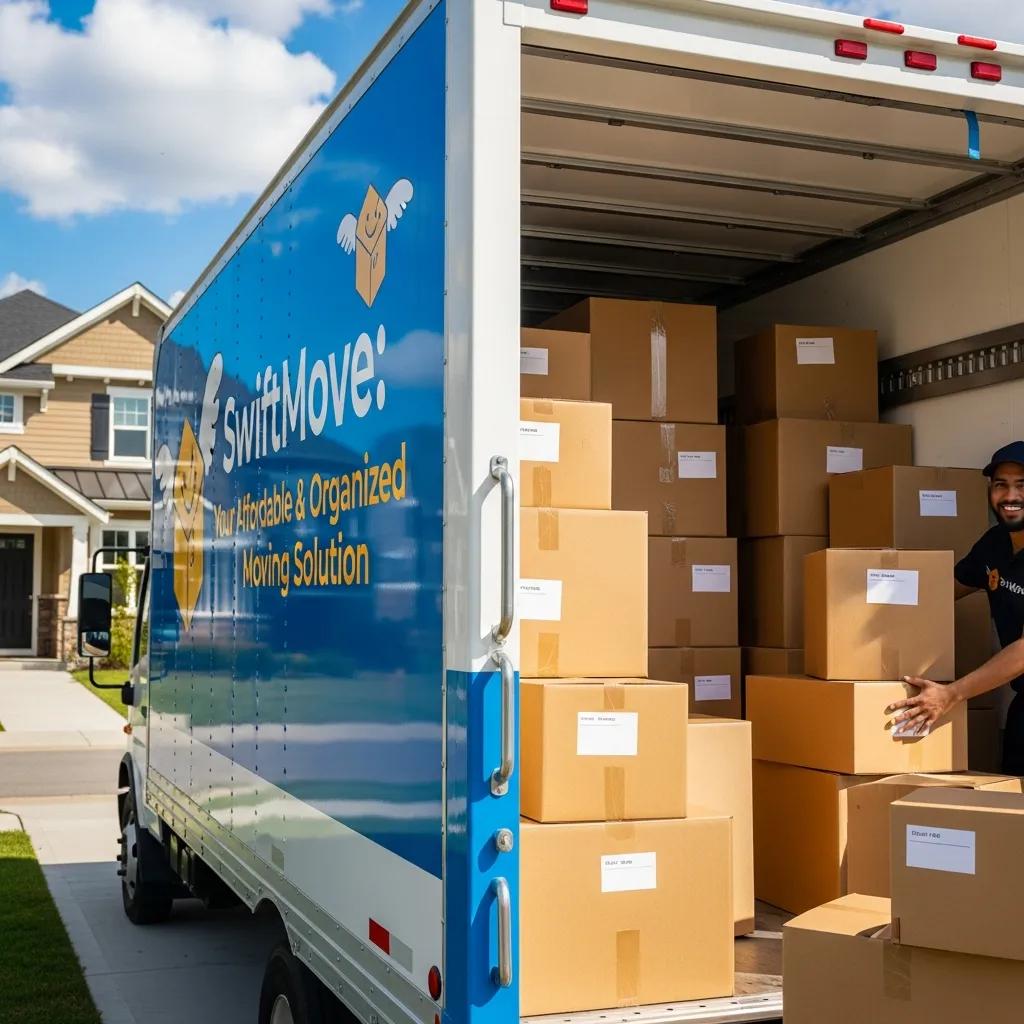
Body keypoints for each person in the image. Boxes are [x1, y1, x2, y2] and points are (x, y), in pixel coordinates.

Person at [889, 443, 1024, 774]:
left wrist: (950, 694)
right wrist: (876, 593)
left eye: (1022, 485)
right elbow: (940, 592)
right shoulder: (994, 544)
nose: (1011, 495)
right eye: (1001, 485)